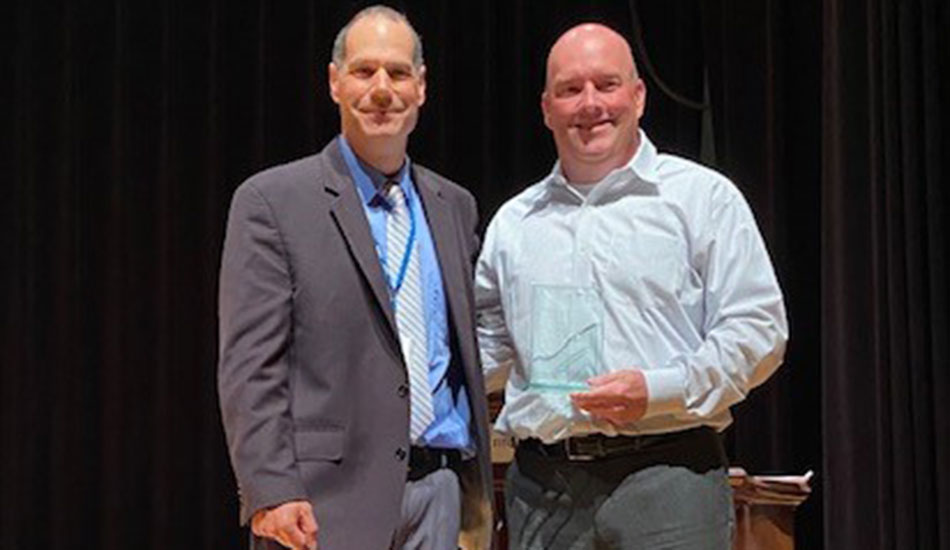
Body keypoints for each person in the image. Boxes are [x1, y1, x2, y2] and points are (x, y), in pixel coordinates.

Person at [475, 23, 788, 550]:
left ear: (638, 96)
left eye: (607, 84)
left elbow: (758, 331)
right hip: (543, 489)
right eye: (570, 89)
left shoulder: (702, 199)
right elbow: (487, 347)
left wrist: (657, 390)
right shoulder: (514, 223)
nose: (590, 103)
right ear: (546, 108)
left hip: (669, 476)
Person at [218, 6, 492, 550]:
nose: (382, 89)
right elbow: (250, 366)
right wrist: (271, 489)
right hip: (322, 505)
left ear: (421, 86)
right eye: (365, 71)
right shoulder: (273, 202)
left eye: (398, 73)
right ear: (335, 82)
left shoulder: (453, 206)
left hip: (440, 493)